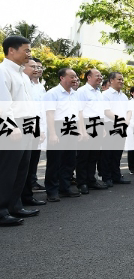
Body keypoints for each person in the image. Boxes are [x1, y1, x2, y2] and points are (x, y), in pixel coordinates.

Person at [0, 36, 39, 225]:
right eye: (26, 50)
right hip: (10, 124)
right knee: (8, 169)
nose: (29, 54)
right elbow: (3, 103)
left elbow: (27, 103)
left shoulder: (23, 75)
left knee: (22, 168)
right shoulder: (2, 71)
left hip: (24, 123)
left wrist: (30, 124)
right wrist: (11, 126)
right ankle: (1, 210)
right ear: (11, 51)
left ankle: (15, 206)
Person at [43, 68, 85, 201]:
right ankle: (52, 191)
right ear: (62, 78)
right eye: (71, 76)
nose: (74, 79)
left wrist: (80, 129)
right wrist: (53, 134)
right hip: (59, 126)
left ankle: (65, 187)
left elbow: (79, 113)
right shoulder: (53, 93)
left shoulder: (75, 94)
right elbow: (50, 114)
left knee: (70, 159)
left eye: (75, 77)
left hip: (72, 126)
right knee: (55, 160)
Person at [75, 69, 108, 194]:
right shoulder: (82, 91)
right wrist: (82, 129)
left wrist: (103, 127)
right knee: (83, 154)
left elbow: (100, 111)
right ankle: (81, 182)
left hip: (98, 123)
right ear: (89, 77)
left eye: (101, 76)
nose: (100, 78)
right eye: (97, 76)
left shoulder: (98, 92)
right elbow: (80, 111)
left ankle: (91, 180)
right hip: (87, 123)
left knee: (94, 154)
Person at [21, 58, 46, 206]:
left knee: (32, 162)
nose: (37, 69)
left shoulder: (40, 87)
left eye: (38, 67)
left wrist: (41, 129)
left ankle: (27, 195)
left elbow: (39, 110)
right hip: (25, 125)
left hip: (36, 126)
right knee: (22, 164)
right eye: (33, 66)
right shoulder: (23, 83)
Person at [101, 72, 131, 187]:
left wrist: (126, 121)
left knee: (118, 153)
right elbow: (107, 112)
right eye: (119, 79)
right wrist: (123, 120)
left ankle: (116, 176)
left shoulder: (123, 96)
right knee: (107, 153)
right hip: (110, 126)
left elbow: (129, 110)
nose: (121, 81)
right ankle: (106, 177)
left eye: (122, 79)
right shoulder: (106, 94)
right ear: (111, 80)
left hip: (122, 126)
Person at [124, 85, 134, 175]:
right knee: (131, 148)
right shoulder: (130, 102)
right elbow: (129, 114)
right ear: (132, 93)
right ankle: (132, 167)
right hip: (131, 126)